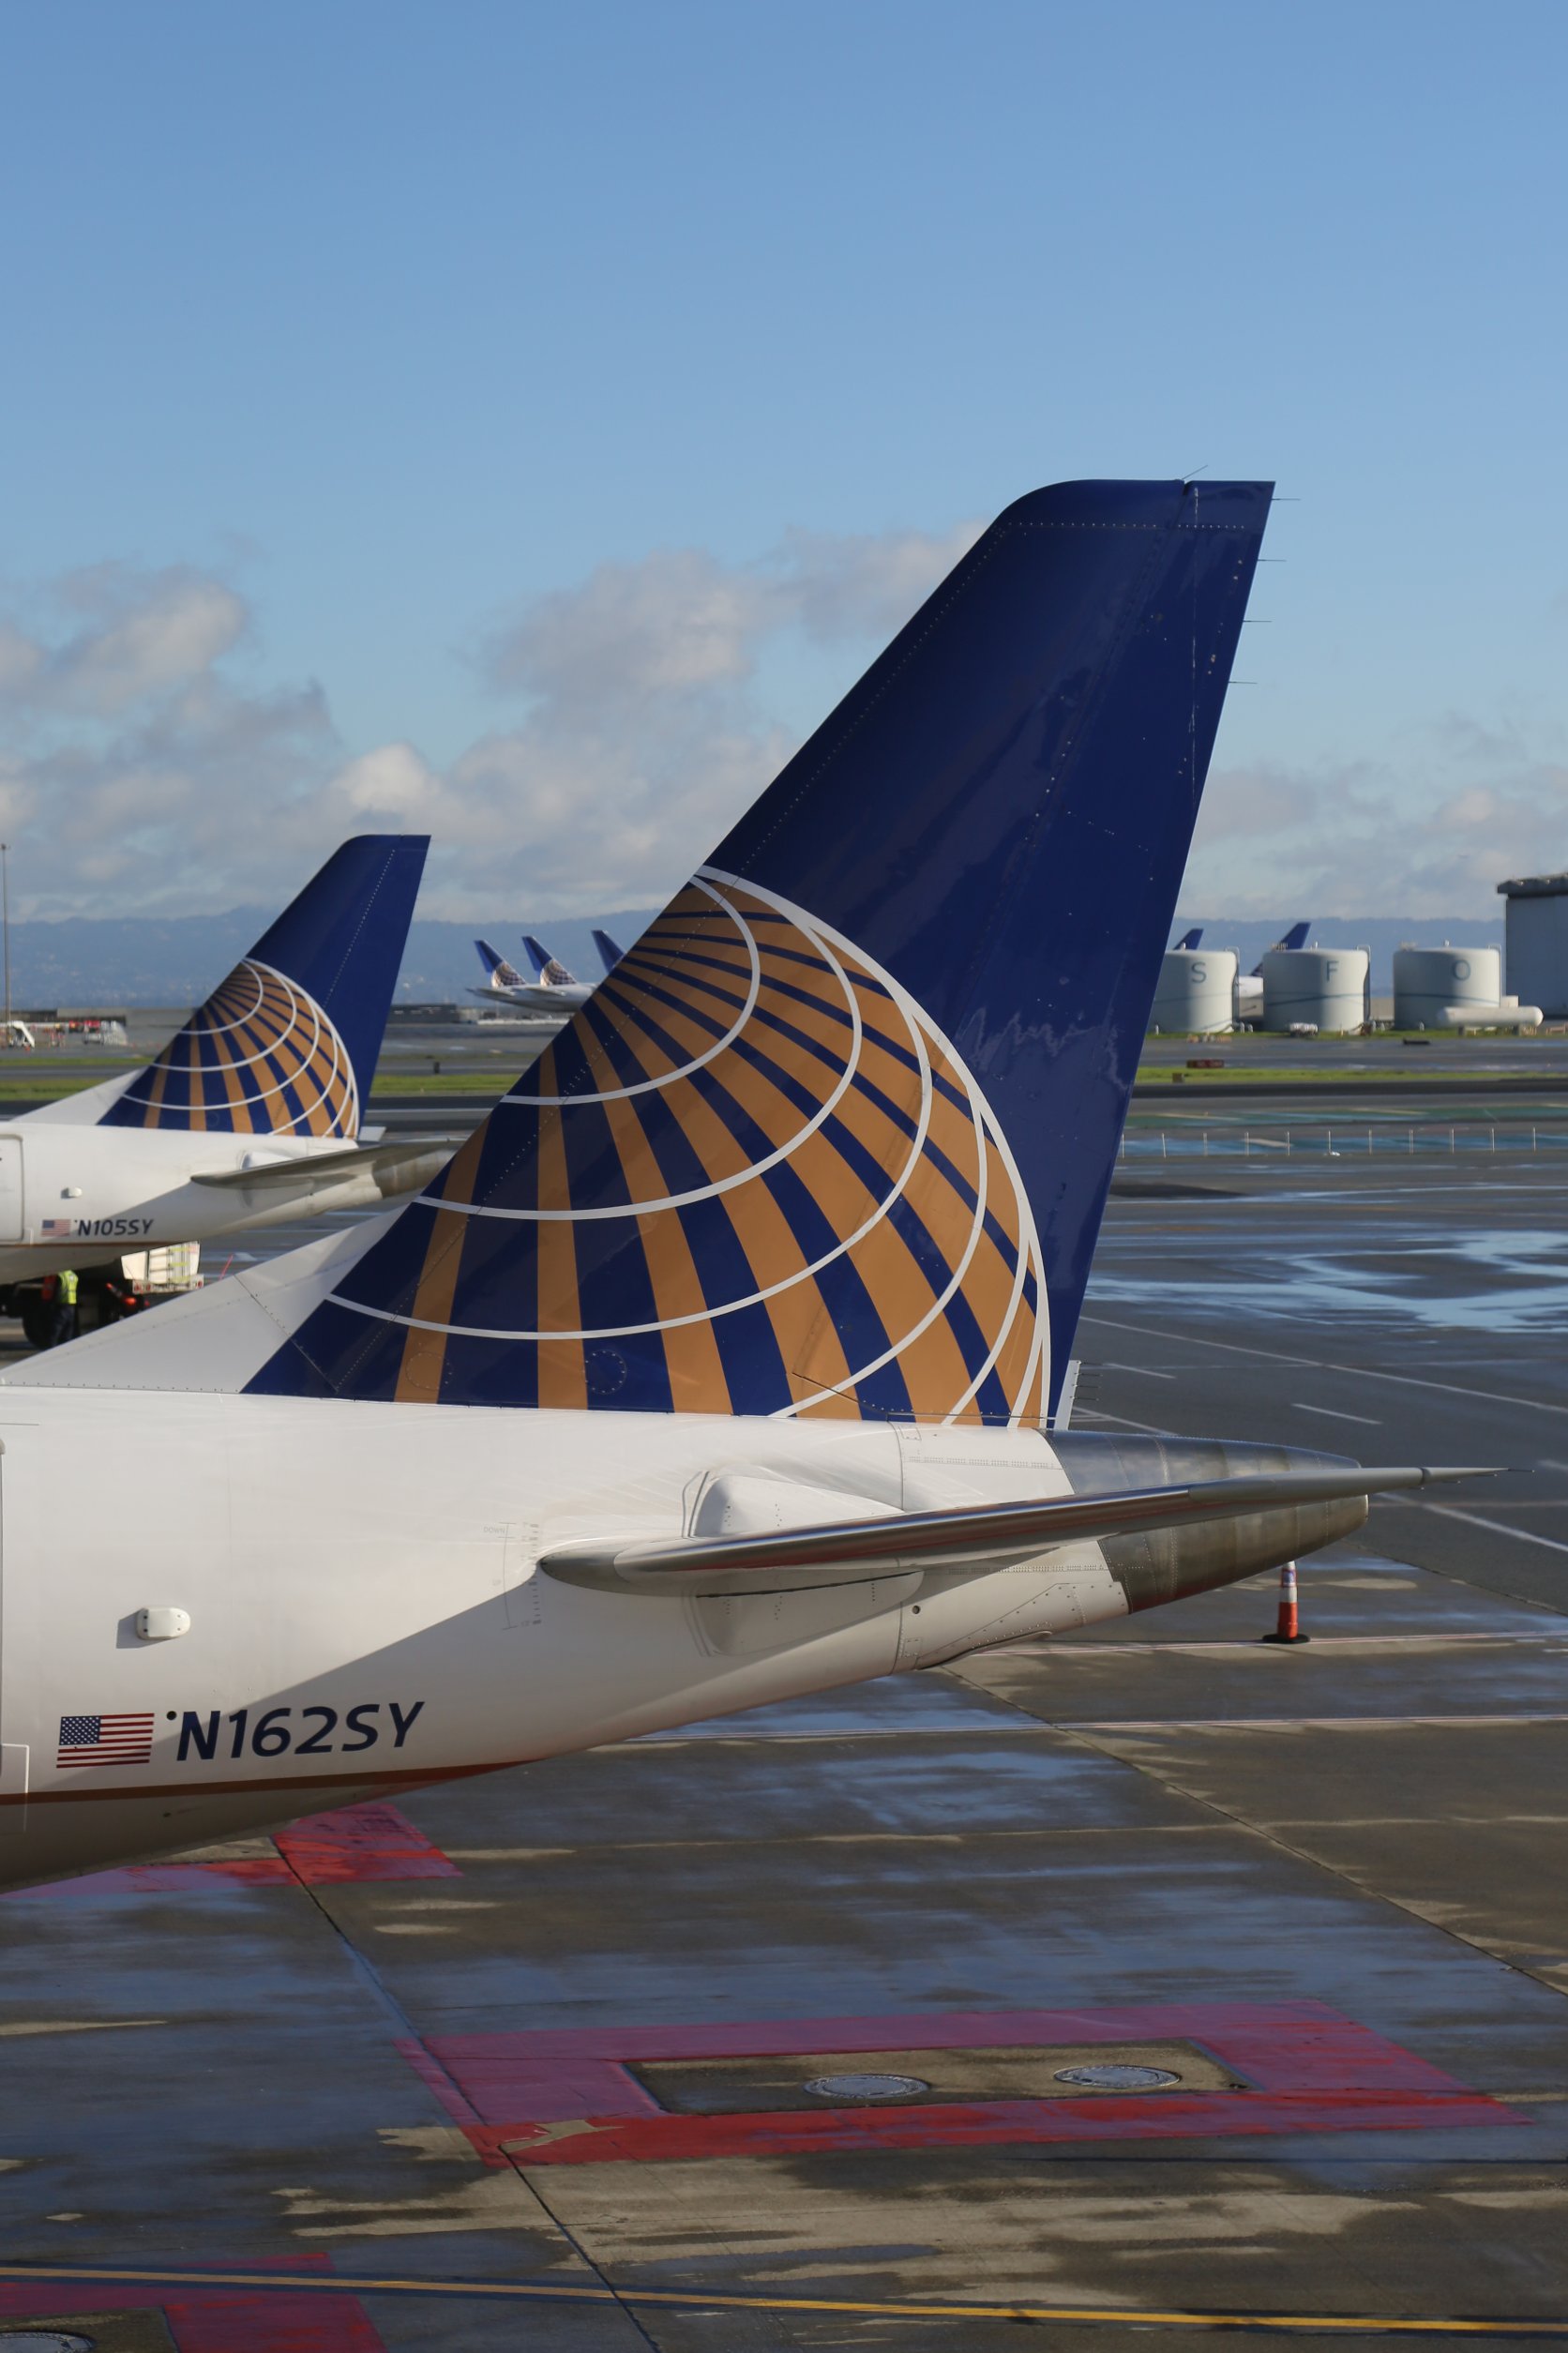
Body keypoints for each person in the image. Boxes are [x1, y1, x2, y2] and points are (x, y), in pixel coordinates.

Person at [38, 1267, 79, 1349]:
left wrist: (50, 1305)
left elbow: (56, 1291)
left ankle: (51, 1352)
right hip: (71, 1308)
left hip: (62, 1308)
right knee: (67, 1335)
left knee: (54, 1334)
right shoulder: (73, 1275)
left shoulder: (60, 1275)